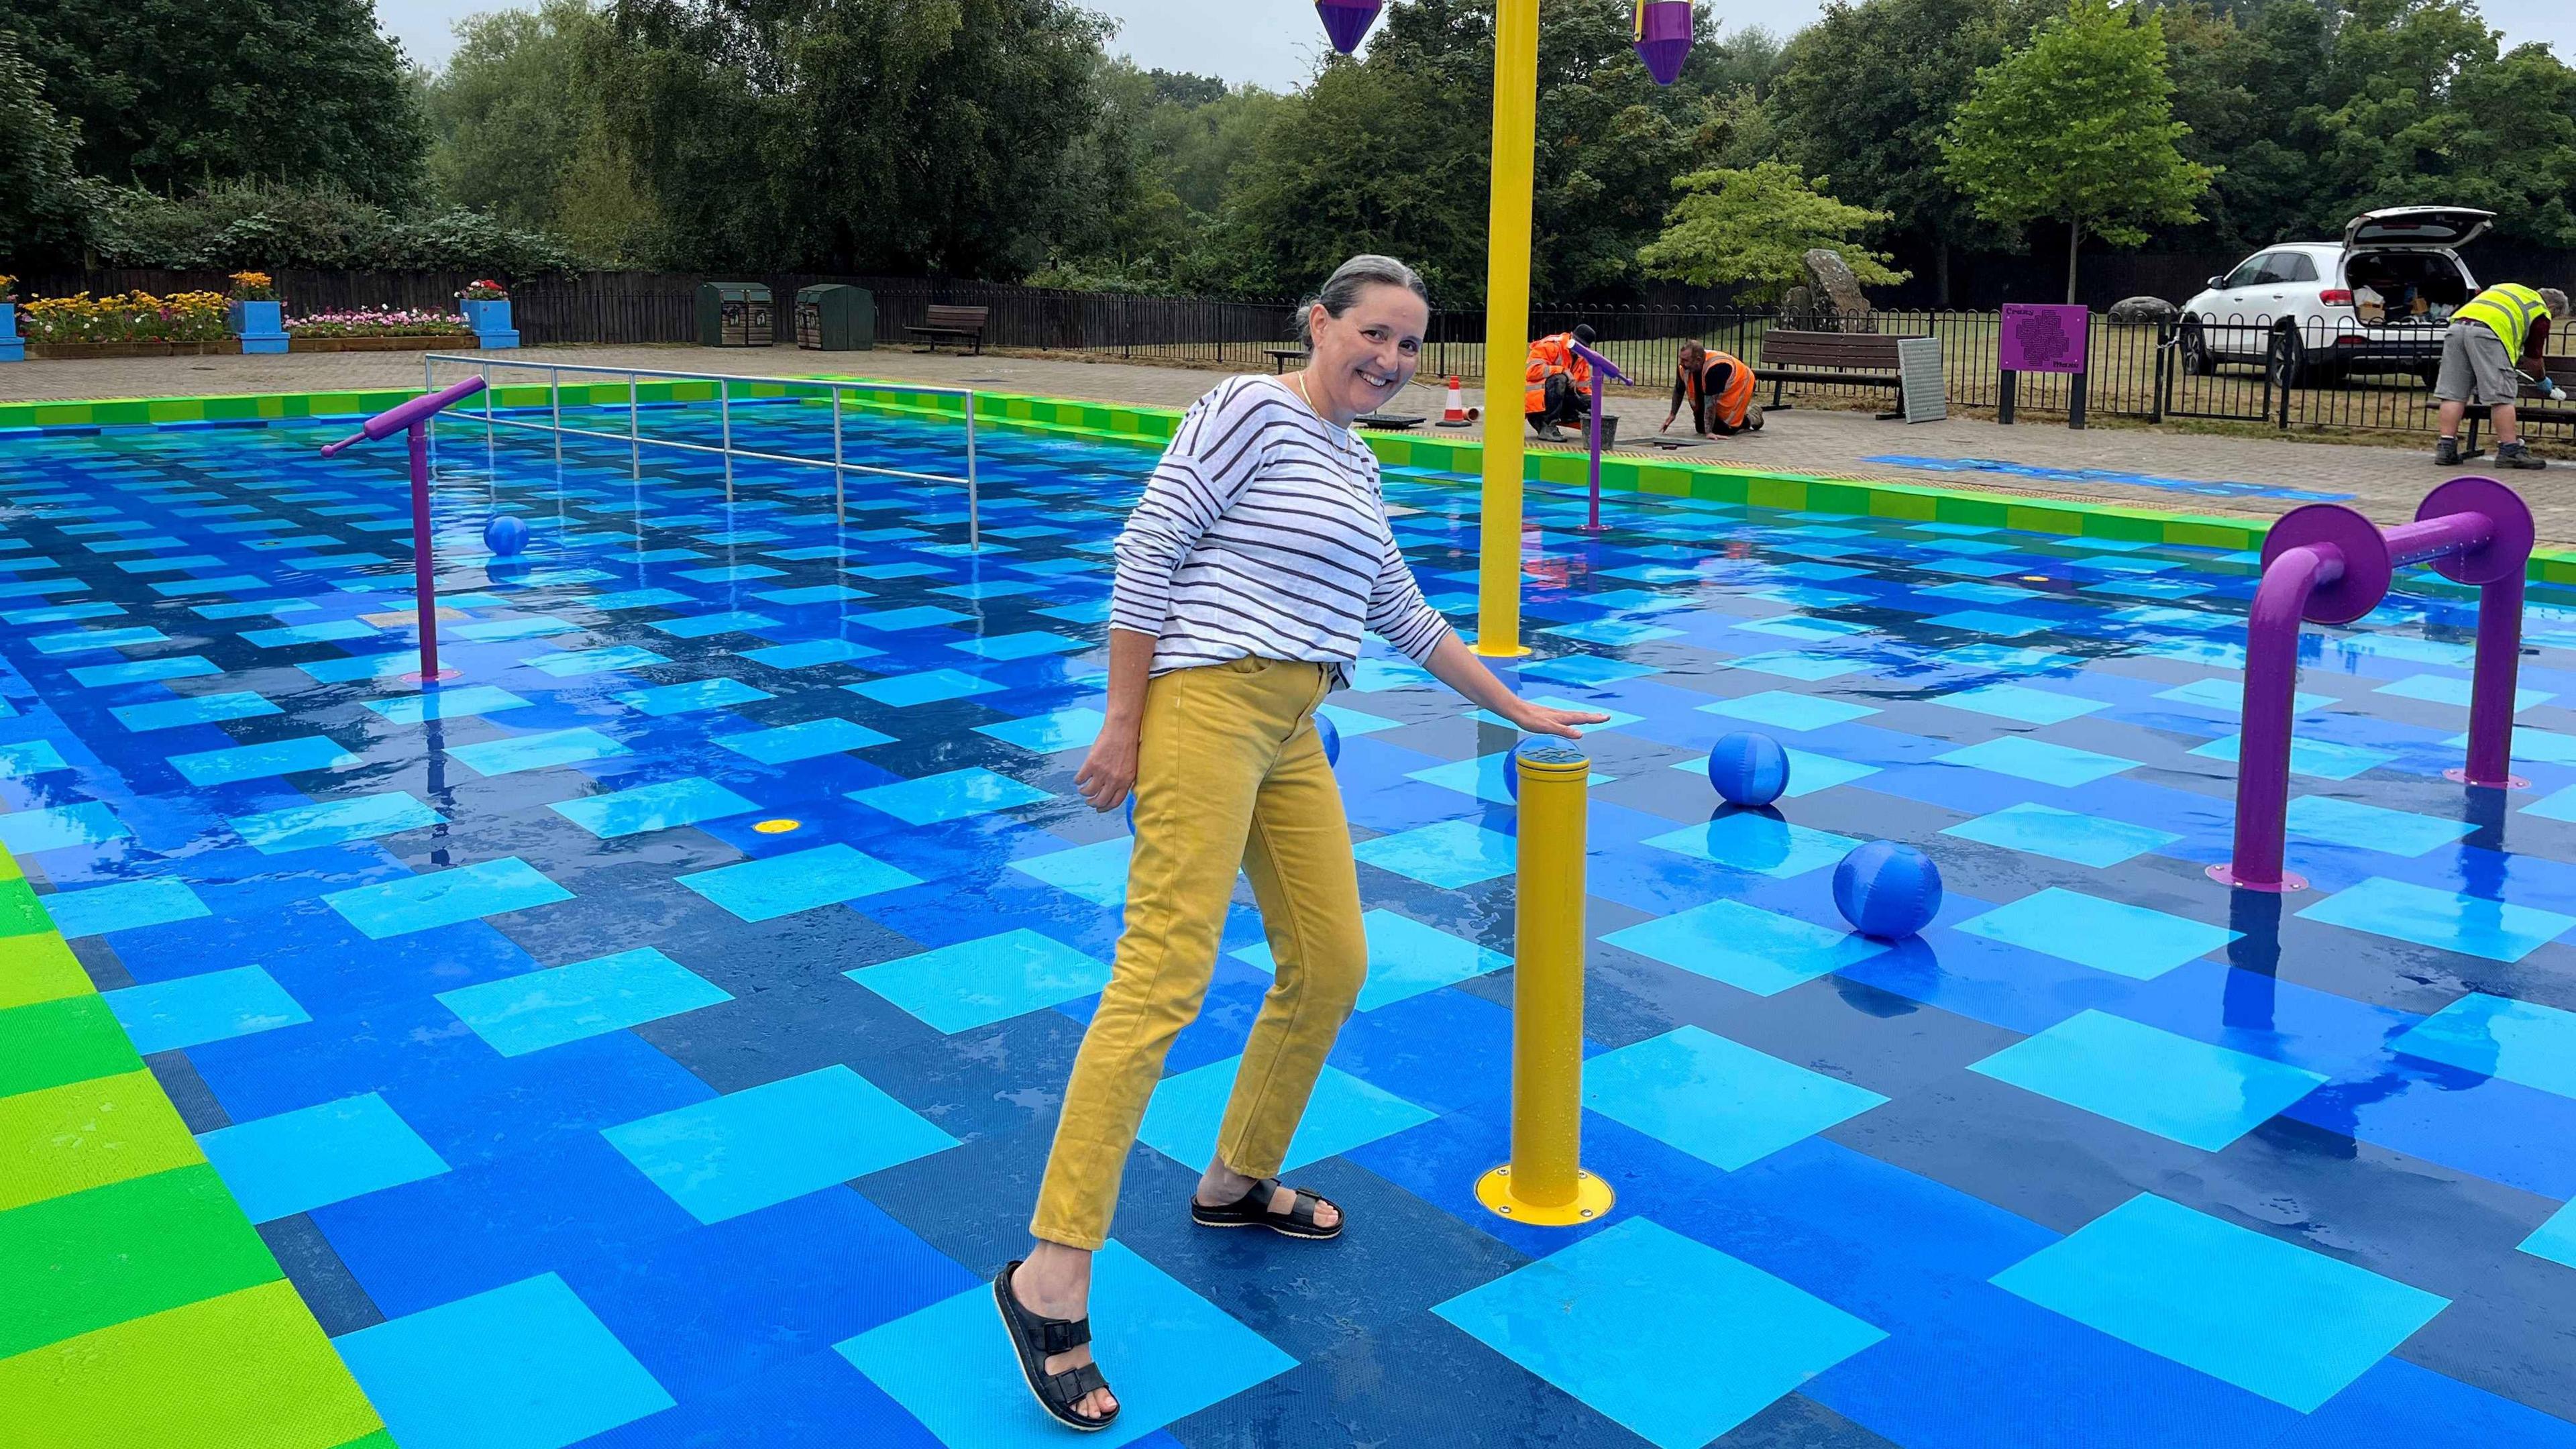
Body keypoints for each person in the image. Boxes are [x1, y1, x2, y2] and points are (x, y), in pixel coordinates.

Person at [992, 254, 1607, 1434]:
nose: (1388, 360)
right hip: (1207, 704)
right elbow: (1146, 553)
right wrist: (1122, 719)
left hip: (1291, 721)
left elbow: (1406, 614)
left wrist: (1517, 707)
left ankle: (1233, 1179)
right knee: (1161, 979)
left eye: (1410, 346)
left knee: (1330, 961)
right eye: (1371, 334)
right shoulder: (1247, 409)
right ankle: (1049, 1275)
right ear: (1320, 324)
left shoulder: (1355, 458)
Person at [2434, 281, 2558, 470]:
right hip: (2488, 333)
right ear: (2551, 307)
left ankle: (2446, 449)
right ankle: (2509, 451)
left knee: (2453, 393)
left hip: (2457, 327)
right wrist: (2542, 380)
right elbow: (2534, 357)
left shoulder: (2509, 289)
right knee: (2502, 396)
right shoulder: (2540, 311)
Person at [1662, 339, 1763, 437]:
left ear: (1698, 360)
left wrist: (1709, 432)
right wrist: (1672, 414)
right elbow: (1679, 389)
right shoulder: (1684, 367)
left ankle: (1753, 417)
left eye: (1685, 360)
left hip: (1742, 382)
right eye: (1681, 359)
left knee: (1725, 429)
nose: (1681, 363)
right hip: (1719, 386)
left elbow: (1710, 402)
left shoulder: (1716, 368)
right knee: (1701, 428)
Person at [1524, 323, 1597, 439]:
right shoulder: (1552, 345)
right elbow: (1531, 372)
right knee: (1560, 379)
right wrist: (1563, 370)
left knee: (1591, 401)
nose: (1578, 348)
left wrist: (1590, 408)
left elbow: (1584, 388)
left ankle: (1586, 426)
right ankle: (1547, 425)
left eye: (1582, 346)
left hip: (1557, 398)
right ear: (1571, 335)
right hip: (1536, 401)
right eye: (1577, 343)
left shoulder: (1582, 358)